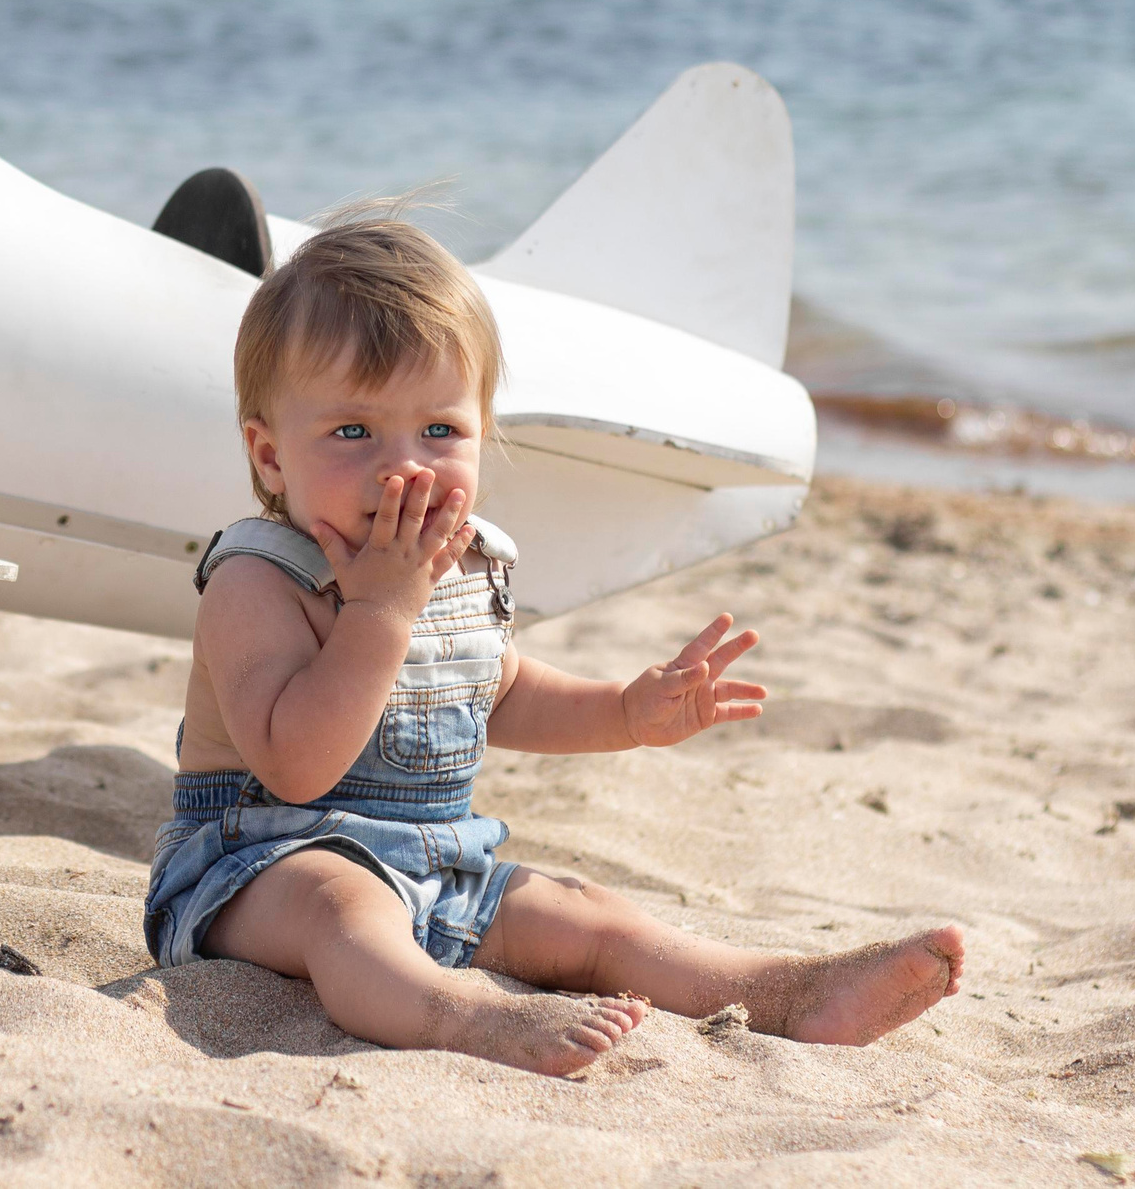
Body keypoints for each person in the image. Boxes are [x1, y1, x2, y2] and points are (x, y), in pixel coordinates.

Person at [142, 213, 964, 1076]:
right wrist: (379, 609)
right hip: (256, 869)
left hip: (436, 864)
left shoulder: (457, 569)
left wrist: (626, 710)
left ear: (483, 429)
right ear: (270, 456)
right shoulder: (257, 583)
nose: (406, 469)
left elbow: (506, 693)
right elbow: (296, 766)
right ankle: (467, 1019)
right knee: (341, 908)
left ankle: (790, 993)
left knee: (590, 914)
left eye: (440, 431)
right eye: (353, 432)